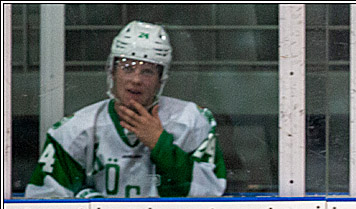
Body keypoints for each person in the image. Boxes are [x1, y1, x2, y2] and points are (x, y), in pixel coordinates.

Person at [25, 21, 226, 199]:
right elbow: (42, 201)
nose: (136, 80)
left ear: (161, 79)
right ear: (112, 71)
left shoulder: (192, 122)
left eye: (147, 71)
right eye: (127, 67)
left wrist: (161, 145)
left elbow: (210, 196)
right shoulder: (74, 131)